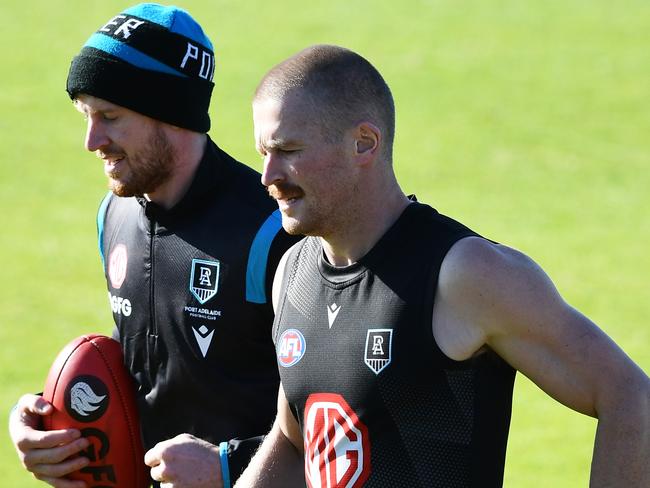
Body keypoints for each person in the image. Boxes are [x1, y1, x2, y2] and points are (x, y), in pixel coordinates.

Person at [234, 44, 650, 487]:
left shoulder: (463, 273)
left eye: (288, 150)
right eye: (264, 152)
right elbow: (297, 438)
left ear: (363, 144)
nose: (268, 175)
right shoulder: (293, 275)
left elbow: (629, 397)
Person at [9, 4, 297, 487]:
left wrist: (229, 467)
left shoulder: (273, 231)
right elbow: (149, 368)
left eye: (110, 116)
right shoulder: (113, 215)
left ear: (171, 114)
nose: (91, 140)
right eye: (86, 115)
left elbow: (343, 415)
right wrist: (52, 424)